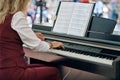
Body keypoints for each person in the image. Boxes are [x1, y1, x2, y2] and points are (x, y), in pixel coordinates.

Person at [0, 0, 64, 80]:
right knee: (54, 72)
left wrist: (32, 35)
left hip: (3, 71)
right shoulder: (16, 16)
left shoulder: (3, 16)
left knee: (44, 66)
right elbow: (36, 46)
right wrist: (51, 44)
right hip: (13, 73)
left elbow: (9, 36)